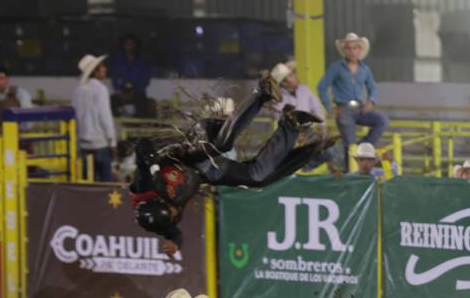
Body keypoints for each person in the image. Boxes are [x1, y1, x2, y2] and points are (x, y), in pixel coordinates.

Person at [131, 72, 336, 254]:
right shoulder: (160, 221)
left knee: (220, 145)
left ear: (159, 202)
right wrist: (174, 243)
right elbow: (174, 233)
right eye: (173, 213)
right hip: (206, 173)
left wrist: (154, 167)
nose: (176, 210)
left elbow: (142, 144)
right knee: (258, 177)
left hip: (192, 148)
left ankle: (261, 92)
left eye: (171, 207)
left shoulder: (145, 185)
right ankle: (294, 128)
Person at [317, 33, 389, 164]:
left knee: (382, 121)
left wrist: (371, 101)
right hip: (343, 109)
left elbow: (373, 88)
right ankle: (350, 168)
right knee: (350, 144)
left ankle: (361, 147)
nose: (352, 51)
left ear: (360, 50)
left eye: (355, 48)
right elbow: (322, 87)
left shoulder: (365, 69)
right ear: (344, 50)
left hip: (360, 108)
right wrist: (329, 107)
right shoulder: (336, 67)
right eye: (349, 48)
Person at [71, 54, 117, 182]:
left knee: (87, 182)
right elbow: (105, 117)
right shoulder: (100, 89)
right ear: (95, 71)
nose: (105, 69)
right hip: (100, 143)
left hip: (84, 143)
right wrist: (112, 142)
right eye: (102, 67)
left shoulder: (77, 90)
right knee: (105, 184)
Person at [109, 34, 152, 100]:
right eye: (127, 44)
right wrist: (120, 90)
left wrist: (134, 91)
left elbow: (145, 79)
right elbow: (114, 78)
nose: (130, 46)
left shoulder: (142, 61)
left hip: (137, 92)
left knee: (142, 101)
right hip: (121, 92)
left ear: (136, 45)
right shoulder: (118, 60)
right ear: (123, 46)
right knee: (112, 101)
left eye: (132, 44)